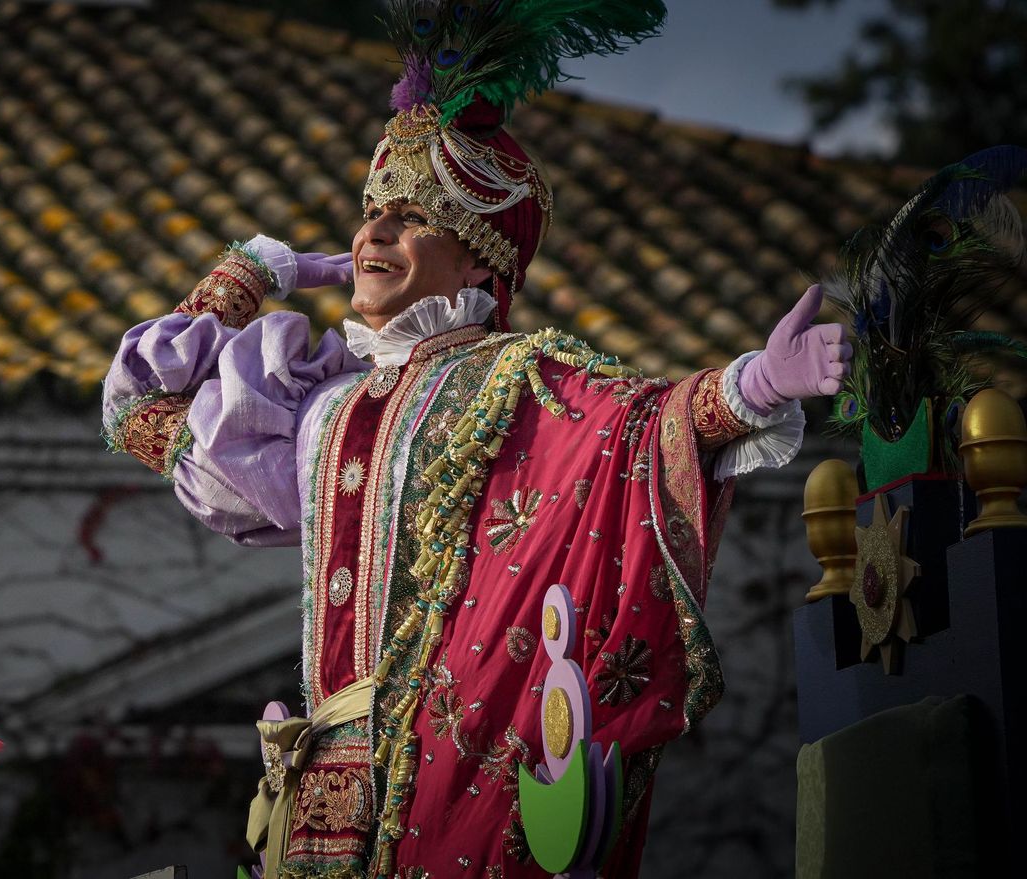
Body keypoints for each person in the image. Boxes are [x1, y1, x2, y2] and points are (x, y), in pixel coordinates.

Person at [102, 3, 848, 875]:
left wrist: (753, 384)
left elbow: (632, 429)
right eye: (372, 212)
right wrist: (250, 275)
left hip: (450, 785)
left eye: (412, 216)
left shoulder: (516, 383)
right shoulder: (319, 409)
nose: (375, 231)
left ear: (481, 263)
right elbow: (137, 412)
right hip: (311, 813)